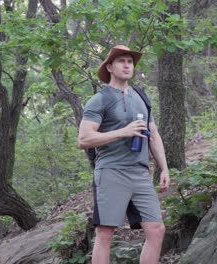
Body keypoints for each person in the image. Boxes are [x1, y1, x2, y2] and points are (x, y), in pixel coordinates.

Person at [78, 45, 170, 264]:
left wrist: (164, 168)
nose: (127, 65)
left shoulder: (141, 96)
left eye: (130, 61)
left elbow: (153, 134)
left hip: (140, 174)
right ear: (110, 67)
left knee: (156, 230)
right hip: (111, 172)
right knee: (105, 233)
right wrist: (123, 132)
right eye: (122, 61)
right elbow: (84, 139)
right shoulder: (100, 99)